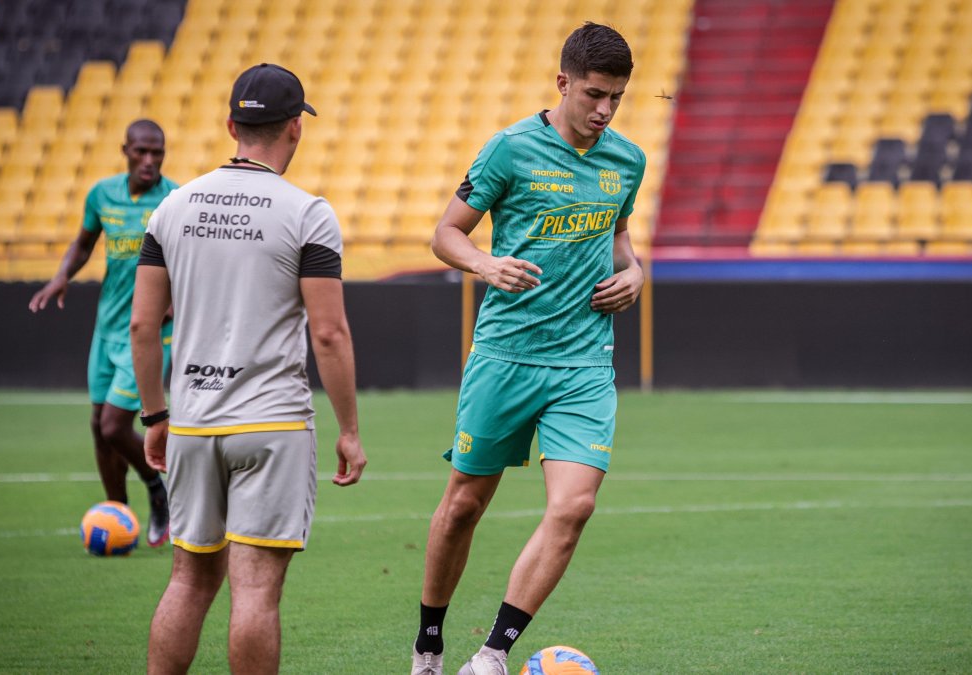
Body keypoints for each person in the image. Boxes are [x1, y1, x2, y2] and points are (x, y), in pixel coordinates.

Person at [411, 23, 646, 675]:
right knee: (464, 505)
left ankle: (492, 654)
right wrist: (484, 264)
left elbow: (620, 240)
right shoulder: (510, 150)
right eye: (594, 94)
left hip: (584, 362)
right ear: (563, 83)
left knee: (574, 507)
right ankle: (428, 645)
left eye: (617, 98)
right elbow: (447, 233)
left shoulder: (627, 160)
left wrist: (635, 273)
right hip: (506, 355)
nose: (605, 110)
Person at [131, 63, 367, 675]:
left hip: (191, 422)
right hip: (272, 426)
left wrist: (154, 416)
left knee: (188, 580)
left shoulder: (171, 208)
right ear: (295, 128)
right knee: (256, 590)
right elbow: (329, 333)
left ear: (232, 126)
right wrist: (348, 430)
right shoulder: (308, 212)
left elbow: (142, 327)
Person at [28, 119, 175, 548]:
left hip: (148, 334)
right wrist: (62, 276)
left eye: (157, 153)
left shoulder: (175, 200)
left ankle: (157, 490)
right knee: (98, 425)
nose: (149, 160)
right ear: (125, 150)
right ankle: (117, 517)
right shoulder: (102, 194)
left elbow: (195, 263)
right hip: (107, 327)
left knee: (114, 426)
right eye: (141, 151)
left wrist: (177, 300)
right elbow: (84, 242)